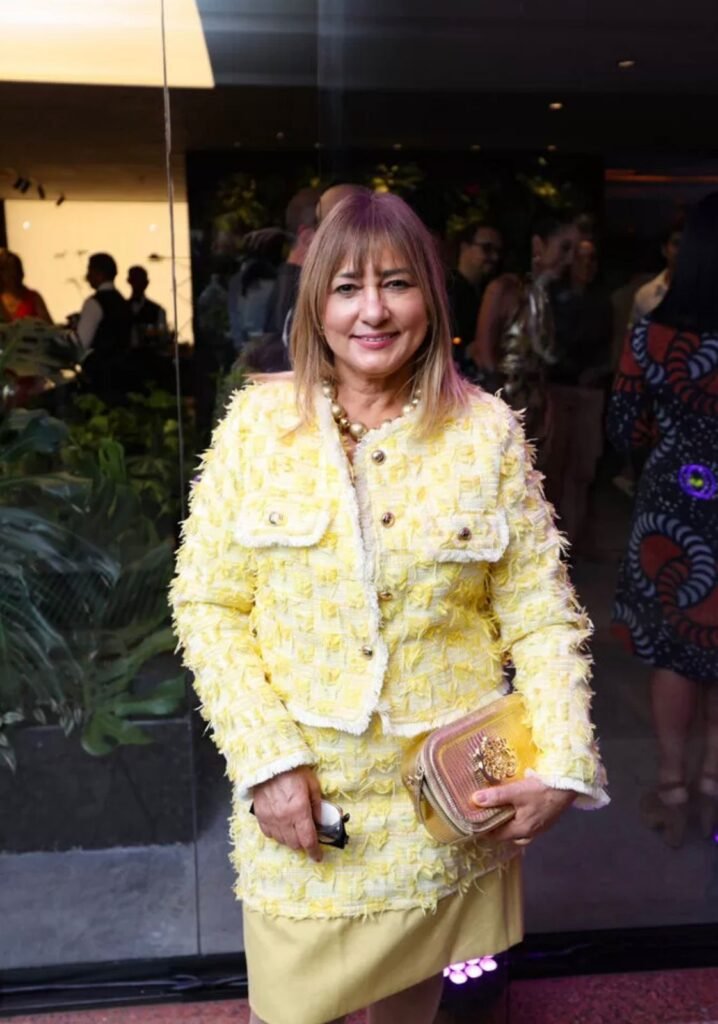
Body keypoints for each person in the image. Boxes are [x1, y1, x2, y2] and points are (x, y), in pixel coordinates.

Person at [170, 191, 607, 1024]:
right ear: (316, 306)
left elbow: (542, 614)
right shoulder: (257, 428)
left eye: (397, 284)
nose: (372, 311)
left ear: (430, 300)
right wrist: (266, 763)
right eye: (347, 288)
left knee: (409, 1014)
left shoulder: (486, 432)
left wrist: (563, 762)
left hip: (440, 806)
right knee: (290, 1013)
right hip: (305, 802)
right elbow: (207, 603)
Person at [608, 192, 718, 849]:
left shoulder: (650, 335)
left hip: (673, 505)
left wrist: (668, 447)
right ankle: (714, 787)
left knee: (675, 648)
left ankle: (674, 788)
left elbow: (624, 426)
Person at [468, 211, 579, 451]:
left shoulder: (548, 296)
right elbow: (484, 357)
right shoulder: (503, 289)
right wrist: (500, 417)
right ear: (538, 245)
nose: (570, 260)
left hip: (536, 414)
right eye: (564, 248)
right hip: (500, 419)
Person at [544, 239, 613, 544]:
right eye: (581, 258)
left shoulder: (602, 301)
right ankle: (548, 539)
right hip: (556, 388)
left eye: (593, 259)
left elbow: (609, 347)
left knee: (582, 469)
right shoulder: (551, 297)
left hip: (589, 391)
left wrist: (597, 371)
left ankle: (574, 539)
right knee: (551, 467)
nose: (587, 265)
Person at [446, 222, 503, 376]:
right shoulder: (447, 289)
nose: (495, 257)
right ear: (465, 248)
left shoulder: (486, 290)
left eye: (498, 251)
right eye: (487, 248)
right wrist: (465, 350)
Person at [630, 221, 683, 325]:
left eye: (688, 244)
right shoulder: (645, 295)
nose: (682, 250)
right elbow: (634, 333)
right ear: (664, 250)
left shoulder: (708, 295)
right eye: (677, 243)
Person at [0, 250, 52, 323]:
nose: (12, 276)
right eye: (7, 272)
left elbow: (49, 326)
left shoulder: (34, 297)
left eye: (15, 270)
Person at [127, 265, 167, 344]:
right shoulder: (121, 308)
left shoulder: (158, 310)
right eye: (135, 279)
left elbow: (162, 336)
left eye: (140, 280)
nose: (137, 284)